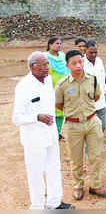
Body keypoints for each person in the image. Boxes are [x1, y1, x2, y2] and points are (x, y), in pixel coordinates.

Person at [12, 52, 74, 210]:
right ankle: (38, 206)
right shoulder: (24, 86)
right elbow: (17, 117)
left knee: (54, 168)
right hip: (34, 139)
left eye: (48, 64)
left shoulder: (47, 82)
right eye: (44, 64)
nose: (48, 67)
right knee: (35, 173)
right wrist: (36, 117)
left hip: (51, 135)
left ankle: (55, 203)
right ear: (33, 66)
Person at [55, 50, 106, 200]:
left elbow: (96, 96)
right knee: (76, 158)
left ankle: (95, 185)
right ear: (67, 65)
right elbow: (59, 105)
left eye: (80, 62)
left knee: (95, 156)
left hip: (92, 122)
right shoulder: (62, 85)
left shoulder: (93, 79)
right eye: (74, 63)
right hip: (73, 126)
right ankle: (78, 186)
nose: (78, 65)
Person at [45, 37, 69, 140]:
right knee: (51, 111)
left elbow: (67, 70)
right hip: (50, 88)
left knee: (61, 112)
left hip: (63, 87)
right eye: (56, 43)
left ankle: (57, 132)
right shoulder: (45, 57)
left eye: (60, 43)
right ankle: (50, 133)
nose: (59, 45)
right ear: (50, 45)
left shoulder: (63, 56)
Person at [84, 40, 106, 132]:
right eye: (91, 52)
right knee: (89, 127)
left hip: (101, 99)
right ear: (85, 51)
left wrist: (105, 92)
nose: (93, 54)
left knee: (103, 125)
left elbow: (102, 79)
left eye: (95, 52)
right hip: (88, 102)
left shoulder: (99, 61)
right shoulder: (81, 63)